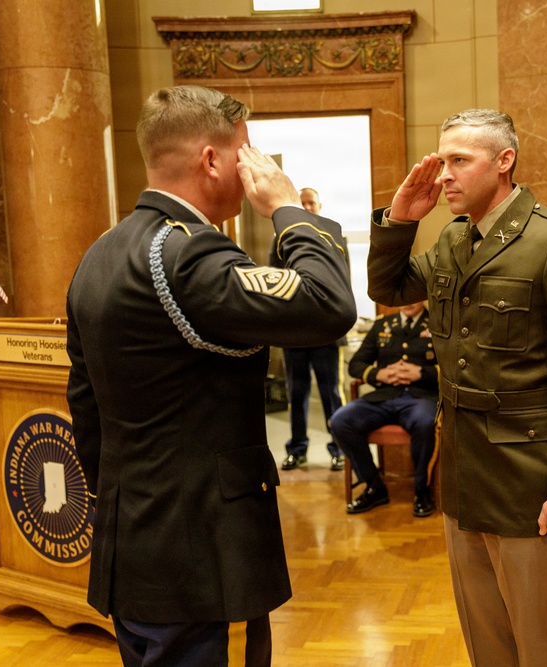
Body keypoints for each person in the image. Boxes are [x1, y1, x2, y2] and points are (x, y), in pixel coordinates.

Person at [65, 85, 356, 667]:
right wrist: (288, 210)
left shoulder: (100, 251)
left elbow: (85, 402)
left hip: (134, 534)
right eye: (248, 153)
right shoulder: (190, 255)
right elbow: (330, 305)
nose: (257, 168)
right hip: (198, 544)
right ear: (212, 159)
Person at [366, 109, 547, 666]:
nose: (444, 177)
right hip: (463, 474)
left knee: (542, 643)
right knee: (486, 638)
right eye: (442, 163)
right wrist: (401, 219)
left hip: (529, 481)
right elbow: (387, 287)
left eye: (459, 161)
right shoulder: (453, 241)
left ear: (504, 161)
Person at [329, 300, 438, 517]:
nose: (408, 302)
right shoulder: (383, 325)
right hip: (385, 396)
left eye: (414, 295)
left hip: (421, 397)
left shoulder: (437, 324)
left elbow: (453, 369)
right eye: (403, 297)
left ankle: (421, 489)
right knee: (340, 421)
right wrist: (378, 374)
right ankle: (373, 485)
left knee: (426, 423)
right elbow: (356, 364)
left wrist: (422, 373)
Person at [276, 187, 347, 472]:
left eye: (311, 203)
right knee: (297, 394)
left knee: (332, 393)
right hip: (293, 334)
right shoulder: (281, 239)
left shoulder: (334, 237)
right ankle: (297, 449)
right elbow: (276, 285)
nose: (307, 207)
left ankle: (338, 449)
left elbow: (342, 284)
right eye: (302, 203)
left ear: (320, 205)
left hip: (326, 333)